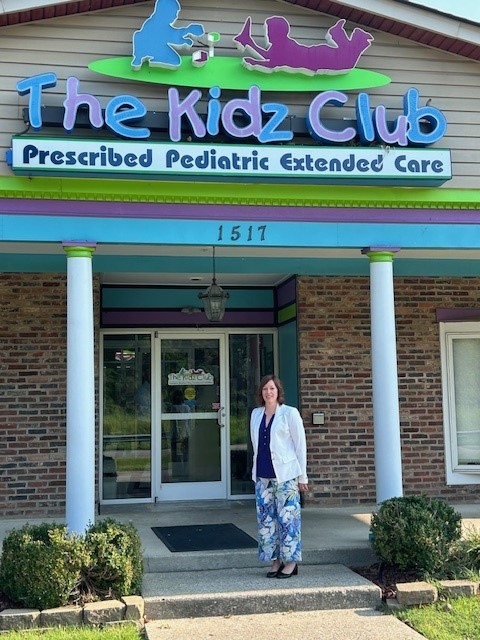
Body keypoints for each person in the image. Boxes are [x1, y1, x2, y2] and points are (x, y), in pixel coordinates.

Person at [250, 374, 308, 579]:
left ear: (278, 391)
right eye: (265, 389)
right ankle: (275, 561)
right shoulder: (256, 414)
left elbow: (300, 447)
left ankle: (291, 562)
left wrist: (303, 477)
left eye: (272, 388)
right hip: (263, 477)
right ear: (261, 393)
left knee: (288, 521)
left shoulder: (290, 414)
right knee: (267, 522)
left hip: (286, 476)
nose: (269, 392)